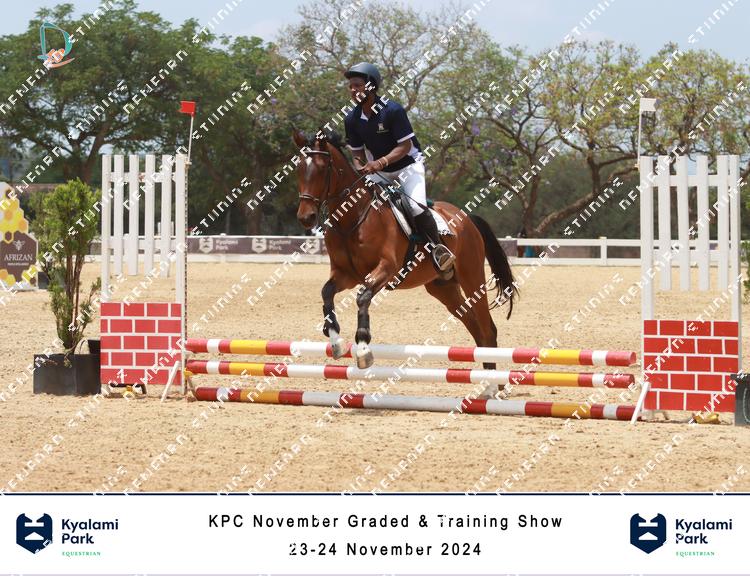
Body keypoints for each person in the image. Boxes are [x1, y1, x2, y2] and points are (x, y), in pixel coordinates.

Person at [343, 62, 455, 274]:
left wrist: (379, 163)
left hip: (408, 166)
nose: (353, 90)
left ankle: (438, 250)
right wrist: (360, 167)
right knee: (360, 203)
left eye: (357, 85)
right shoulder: (351, 119)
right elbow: (357, 152)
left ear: (371, 86)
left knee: (415, 207)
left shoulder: (392, 110)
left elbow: (405, 146)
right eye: (350, 86)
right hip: (379, 172)